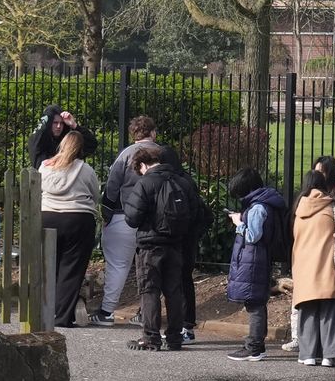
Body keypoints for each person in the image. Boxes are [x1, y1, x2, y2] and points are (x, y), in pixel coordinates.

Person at [123, 144, 206, 351]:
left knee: (150, 290)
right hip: (176, 244)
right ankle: (175, 337)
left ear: (142, 164)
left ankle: (151, 337)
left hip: (150, 246)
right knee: (174, 291)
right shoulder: (182, 182)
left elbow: (132, 218)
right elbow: (196, 213)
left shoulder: (145, 183)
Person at [291, 170, 335, 367]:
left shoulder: (299, 208)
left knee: (307, 309)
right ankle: (329, 355)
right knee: (331, 309)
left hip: (304, 266)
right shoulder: (333, 205)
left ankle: (307, 354)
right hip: (329, 266)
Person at [39, 130, 101, 328]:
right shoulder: (86, 170)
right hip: (78, 218)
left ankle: (44, 312)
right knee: (71, 269)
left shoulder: (45, 166)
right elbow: (95, 194)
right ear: (80, 148)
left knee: (49, 266)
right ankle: (63, 317)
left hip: (47, 217)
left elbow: (38, 187)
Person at [223, 168, 286, 361]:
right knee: (255, 301)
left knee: (254, 302)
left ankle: (254, 346)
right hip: (257, 258)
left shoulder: (258, 207)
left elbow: (253, 236)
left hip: (254, 259)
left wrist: (238, 223)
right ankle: (255, 344)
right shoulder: (263, 203)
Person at [91, 123, 150, 326]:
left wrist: (106, 214)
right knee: (150, 267)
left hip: (124, 215)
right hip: (154, 219)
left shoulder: (127, 154)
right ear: (154, 133)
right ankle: (147, 312)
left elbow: (112, 186)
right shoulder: (162, 153)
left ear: (133, 133)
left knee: (118, 266)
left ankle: (107, 311)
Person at [29, 105, 96, 167]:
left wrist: (75, 125)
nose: (59, 126)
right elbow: (39, 165)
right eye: (55, 123)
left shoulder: (68, 141)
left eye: (62, 123)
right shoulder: (39, 141)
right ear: (48, 123)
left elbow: (92, 144)